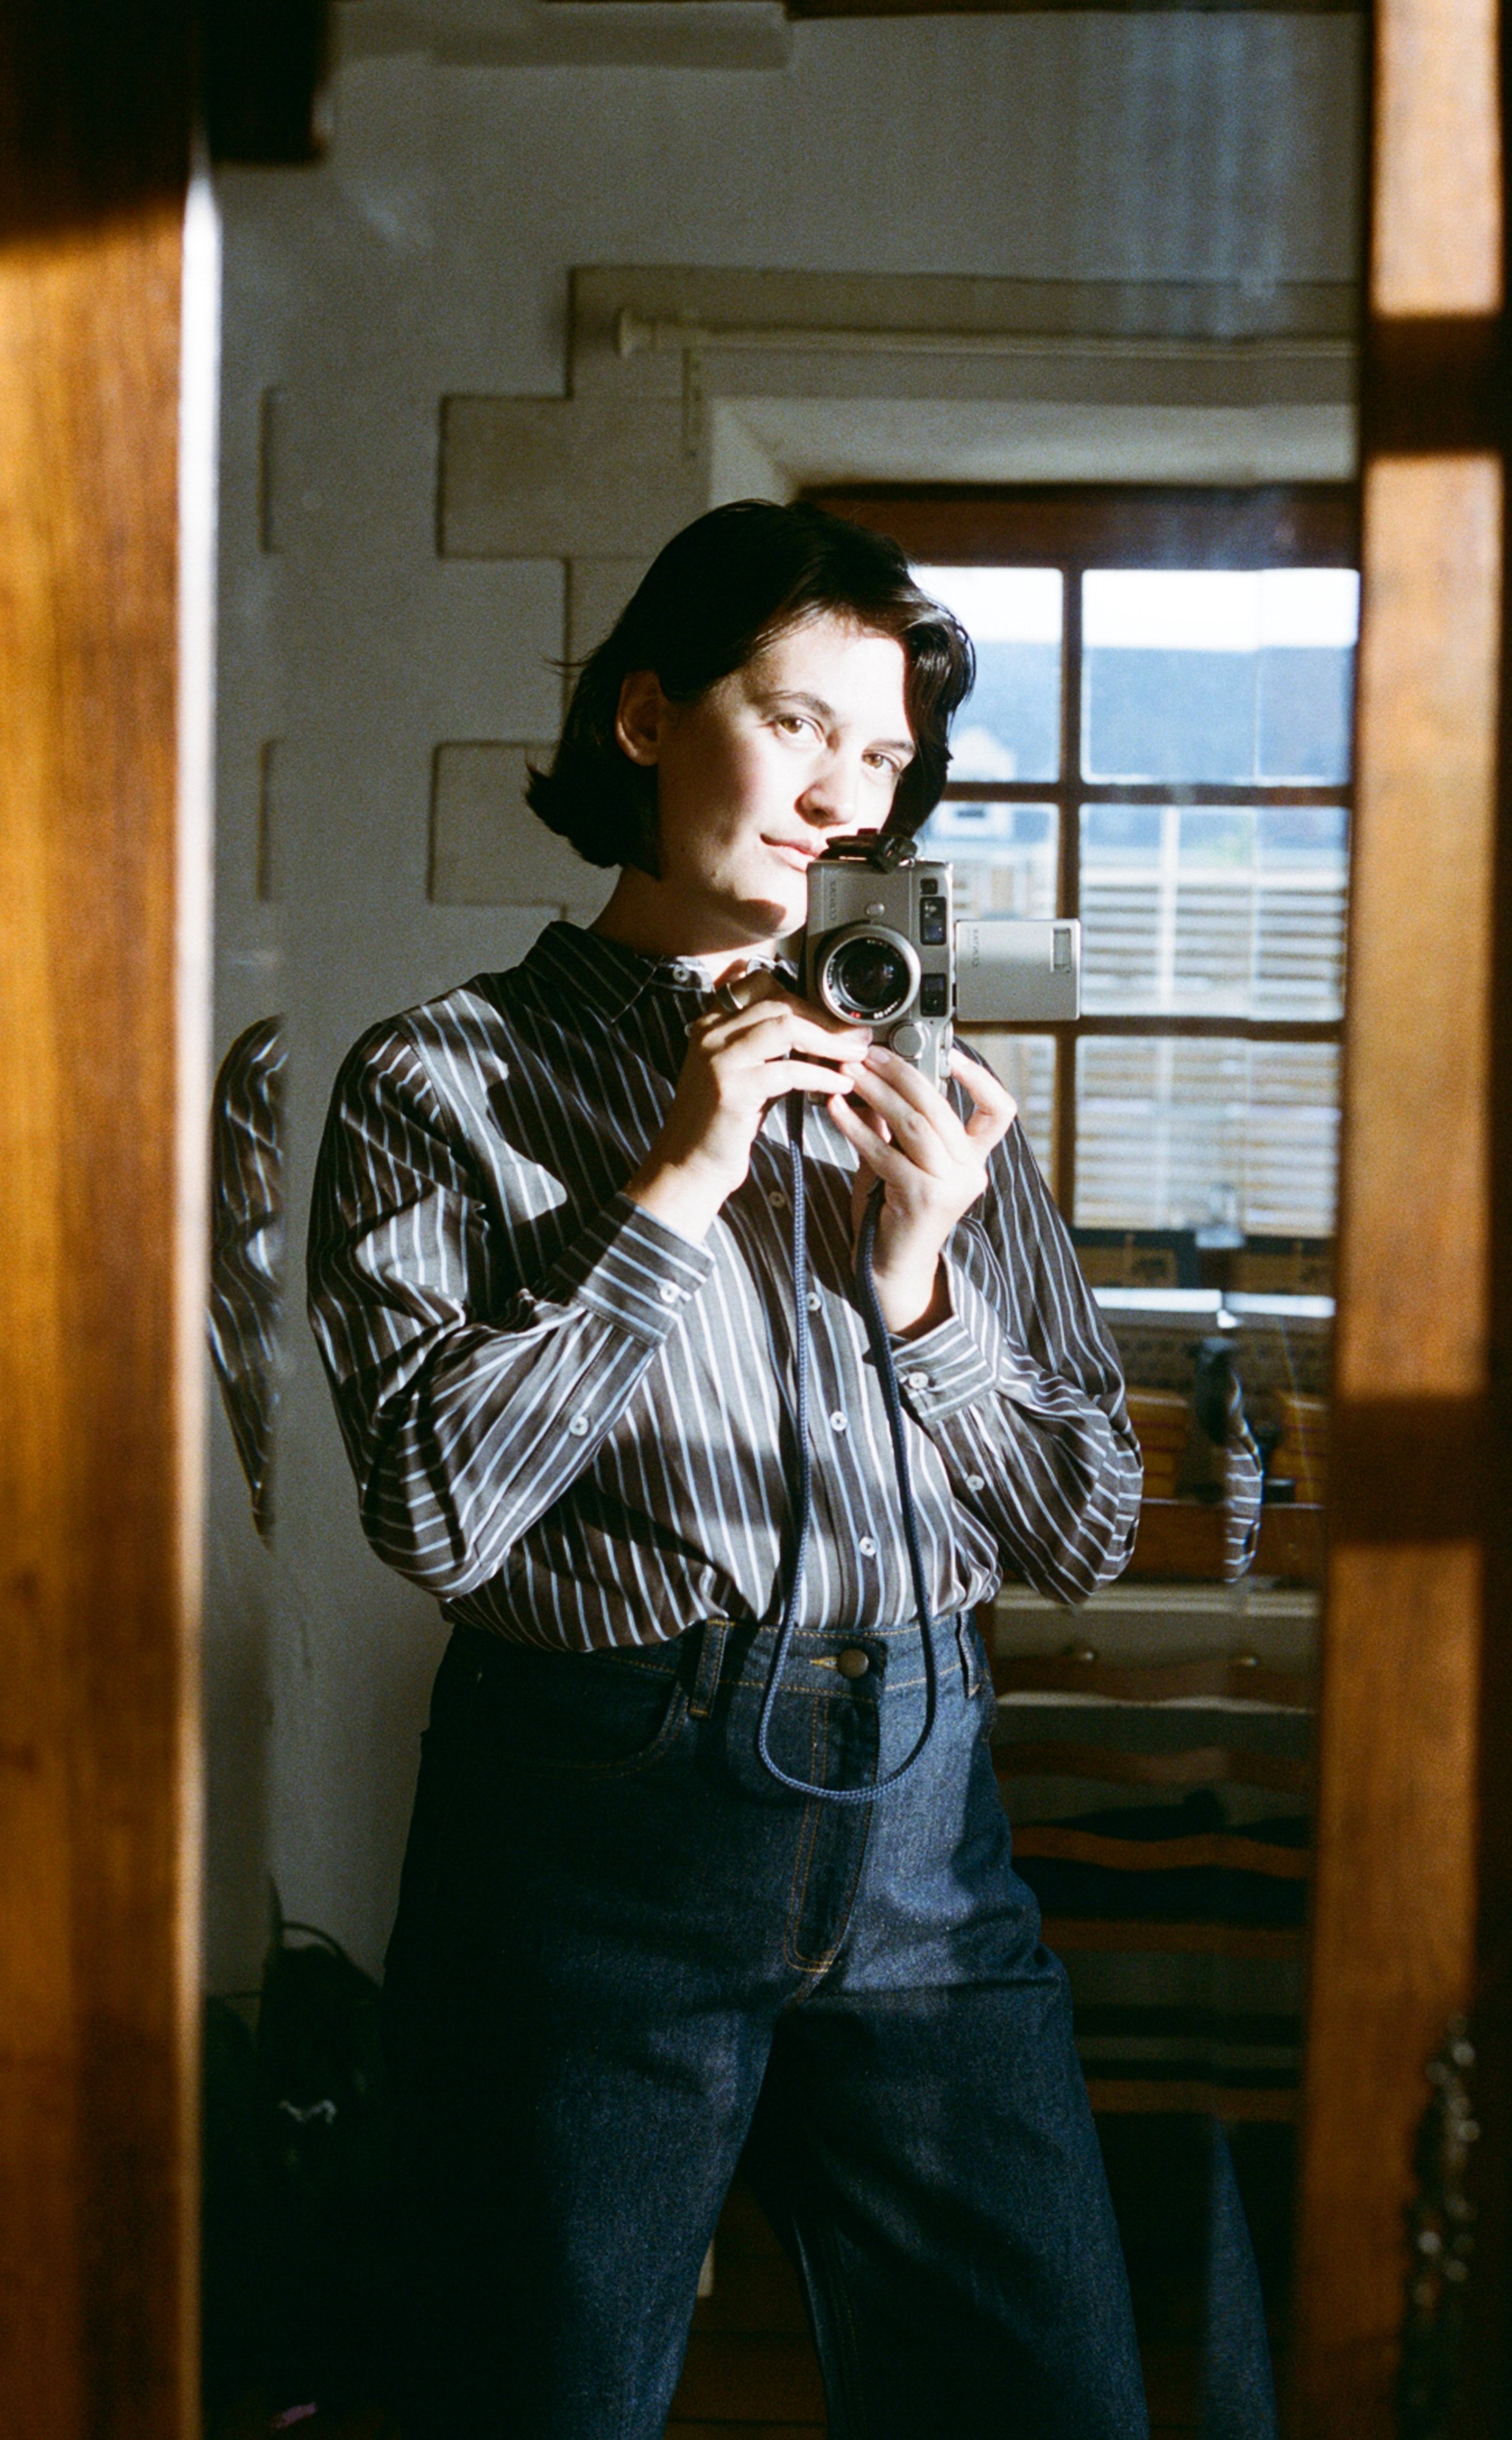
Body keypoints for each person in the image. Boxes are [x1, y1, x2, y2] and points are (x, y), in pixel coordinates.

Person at [307, 502, 1249, 2437]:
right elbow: (434, 1512)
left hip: (928, 1831)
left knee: (1051, 2404)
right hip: (592, 1838)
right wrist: (673, 1184)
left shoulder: (939, 1106)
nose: (841, 793)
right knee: (521, 2404)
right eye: (796, 721)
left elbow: (1075, 1528)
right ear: (647, 718)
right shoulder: (439, 1079)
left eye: (884, 755)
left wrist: (921, 1287)